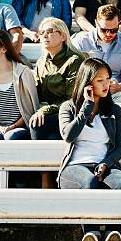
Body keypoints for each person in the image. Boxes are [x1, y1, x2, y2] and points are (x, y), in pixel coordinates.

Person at [58, 58, 121, 241]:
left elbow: (120, 148)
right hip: (75, 167)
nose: (106, 84)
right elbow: (68, 136)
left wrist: (106, 163)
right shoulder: (68, 107)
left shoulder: (115, 110)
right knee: (90, 182)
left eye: (107, 79)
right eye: (100, 80)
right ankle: (92, 236)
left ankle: (113, 237)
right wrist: (86, 106)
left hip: (105, 165)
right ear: (87, 82)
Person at [29, 17, 86, 188]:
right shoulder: (41, 62)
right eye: (42, 32)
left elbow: (72, 100)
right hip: (52, 113)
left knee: (37, 124)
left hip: (71, 112)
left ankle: (45, 181)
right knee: (42, 129)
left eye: (50, 31)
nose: (44, 35)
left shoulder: (74, 60)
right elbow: (37, 93)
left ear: (63, 36)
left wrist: (45, 110)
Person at [0, 29, 37, 141]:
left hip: (19, 126)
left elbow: (29, 110)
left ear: (3, 48)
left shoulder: (23, 73)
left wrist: (12, 127)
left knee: (11, 137)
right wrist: (0, 127)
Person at [73, 4, 121, 103]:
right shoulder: (81, 41)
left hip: (115, 89)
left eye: (114, 30)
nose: (108, 34)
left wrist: (120, 86)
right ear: (96, 23)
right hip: (89, 88)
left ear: (119, 23)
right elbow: (75, 73)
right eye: (104, 30)